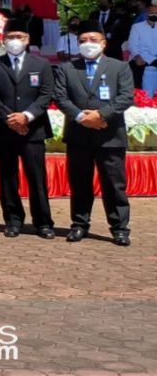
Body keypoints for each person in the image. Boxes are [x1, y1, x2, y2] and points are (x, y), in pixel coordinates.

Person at [55, 20, 133, 245]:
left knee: (114, 184)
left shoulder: (119, 67)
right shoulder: (66, 68)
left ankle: (119, 228)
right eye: (82, 41)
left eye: (93, 40)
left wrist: (101, 116)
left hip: (110, 134)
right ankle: (79, 224)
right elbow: (61, 97)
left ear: (104, 43)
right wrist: (82, 117)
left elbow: (126, 97)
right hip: (79, 135)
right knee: (80, 182)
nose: (88, 44)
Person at [0, 18, 56, 238]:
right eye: (11, 37)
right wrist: (10, 118)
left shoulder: (41, 65)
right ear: (3, 40)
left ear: (28, 40)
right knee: (7, 177)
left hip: (33, 130)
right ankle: (13, 220)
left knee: (37, 178)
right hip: (5, 130)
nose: (15, 41)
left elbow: (46, 94)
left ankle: (43, 222)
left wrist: (26, 116)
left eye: (20, 37)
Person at [124, 5, 157, 94]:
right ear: (147, 14)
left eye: (156, 13)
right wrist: (137, 56)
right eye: (151, 13)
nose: (154, 15)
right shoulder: (137, 27)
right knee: (147, 92)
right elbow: (132, 45)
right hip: (144, 59)